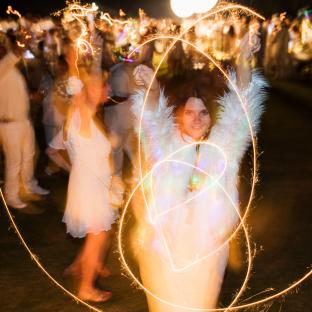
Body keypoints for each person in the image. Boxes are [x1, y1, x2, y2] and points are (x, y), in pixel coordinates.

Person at [129, 30, 267, 311]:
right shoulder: (167, 144)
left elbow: (241, 105)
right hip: (165, 250)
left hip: (207, 250)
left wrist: (243, 59)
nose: (196, 119)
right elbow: (153, 118)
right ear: (178, 113)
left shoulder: (225, 144)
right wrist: (153, 88)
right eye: (189, 112)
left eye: (203, 113)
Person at [47, 35, 117, 302]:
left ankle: (81, 266)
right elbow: (78, 89)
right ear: (90, 92)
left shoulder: (89, 117)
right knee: (97, 237)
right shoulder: (82, 114)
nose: (106, 90)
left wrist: (97, 53)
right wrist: (73, 61)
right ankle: (86, 287)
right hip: (89, 188)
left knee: (98, 234)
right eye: (102, 87)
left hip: (91, 184)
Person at [0, 32, 49, 209]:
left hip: (23, 121)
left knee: (28, 156)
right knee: (14, 161)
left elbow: (12, 92)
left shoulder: (10, 69)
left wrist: (31, 96)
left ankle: (28, 185)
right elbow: (14, 55)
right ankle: (11, 195)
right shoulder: (3, 66)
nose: (3, 50)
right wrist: (23, 43)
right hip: (9, 124)